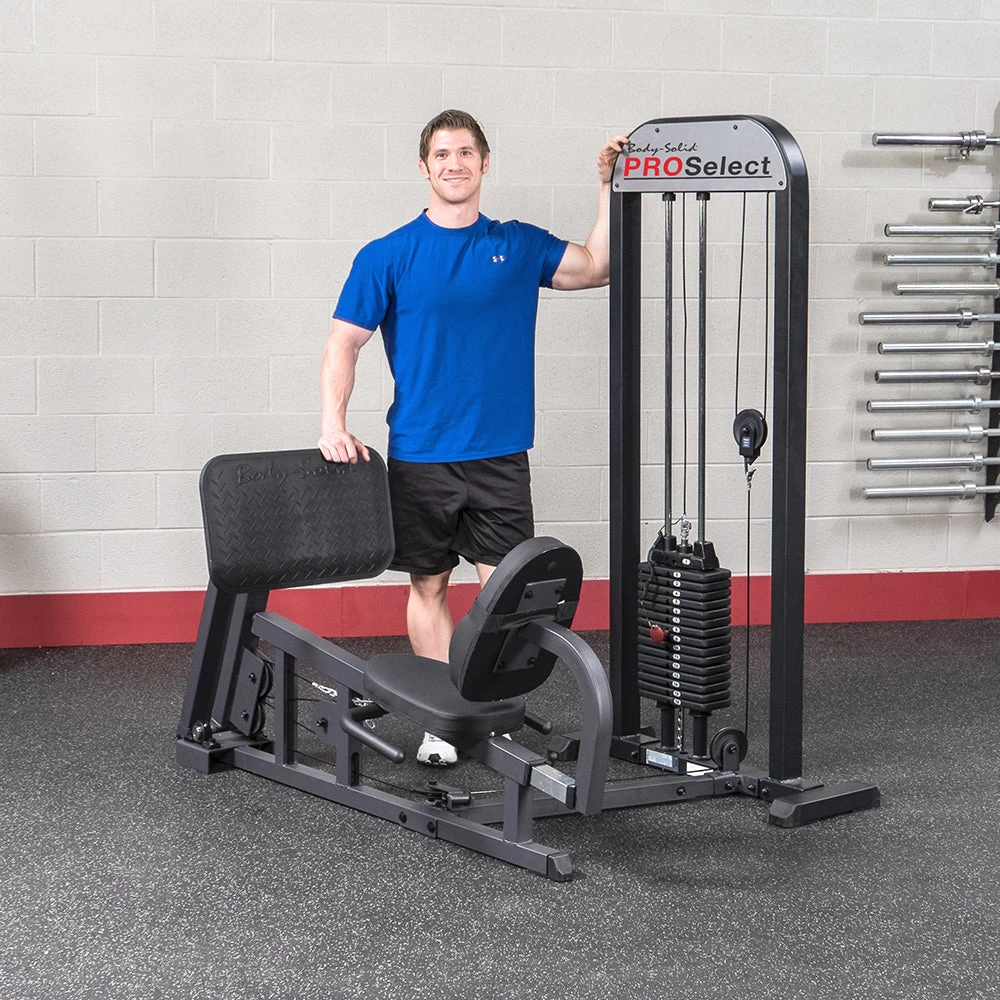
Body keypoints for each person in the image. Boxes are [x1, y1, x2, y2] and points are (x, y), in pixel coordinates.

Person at [319, 109, 624, 765]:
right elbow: (344, 341)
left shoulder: (518, 245)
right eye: (441, 154)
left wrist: (607, 186)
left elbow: (599, 266)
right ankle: (443, 720)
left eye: (465, 152)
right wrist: (332, 423)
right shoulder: (387, 254)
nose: (453, 164)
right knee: (429, 587)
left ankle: (485, 710)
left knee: (505, 596)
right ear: (423, 167)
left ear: (485, 163)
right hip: (421, 455)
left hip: (499, 456)